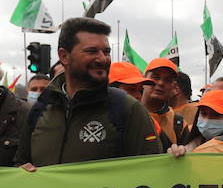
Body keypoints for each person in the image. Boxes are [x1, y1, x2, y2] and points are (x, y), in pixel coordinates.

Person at [17, 18, 162, 167]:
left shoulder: (127, 109)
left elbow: (151, 170)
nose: (102, 59)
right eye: (91, 51)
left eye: (106, 51)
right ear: (64, 56)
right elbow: (20, 163)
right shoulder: (39, 111)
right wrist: (21, 171)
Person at [140, 58, 192, 147]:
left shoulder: (178, 123)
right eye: (155, 77)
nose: (160, 83)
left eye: (167, 80)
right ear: (143, 79)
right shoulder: (129, 113)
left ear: (174, 87)